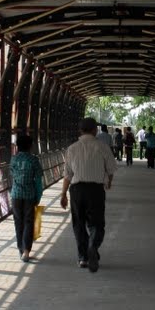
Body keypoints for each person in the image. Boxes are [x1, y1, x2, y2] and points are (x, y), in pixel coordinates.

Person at [59, 117, 116, 272]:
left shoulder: (72, 149)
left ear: (80, 130)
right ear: (94, 130)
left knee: (79, 223)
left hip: (77, 190)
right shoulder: (103, 147)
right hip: (96, 190)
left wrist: (63, 194)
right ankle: (93, 245)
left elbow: (67, 175)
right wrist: (108, 181)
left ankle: (83, 258)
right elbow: (111, 168)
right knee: (97, 224)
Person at [9, 133, 44, 263]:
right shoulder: (34, 160)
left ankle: (20, 249)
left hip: (16, 195)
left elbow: (12, 175)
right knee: (29, 222)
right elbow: (38, 181)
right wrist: (38, 196)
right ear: (30, 146)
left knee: (18, 222)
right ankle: (26, 251)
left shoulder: (14, 159)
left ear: (17, 146)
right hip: (30, 195)